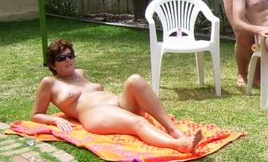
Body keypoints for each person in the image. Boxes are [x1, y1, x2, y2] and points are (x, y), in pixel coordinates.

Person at [32, 39, 201, 152]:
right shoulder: (50, 83)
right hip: (96, 114)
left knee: (135, 80)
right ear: (52, 64)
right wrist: (56, 120)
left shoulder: (80, 73)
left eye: (70, 56)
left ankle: (175, 131)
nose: (68, 60)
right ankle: (179, 145)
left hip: (118, 104)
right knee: (138, 122)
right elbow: (36, 115)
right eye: (61, 58)